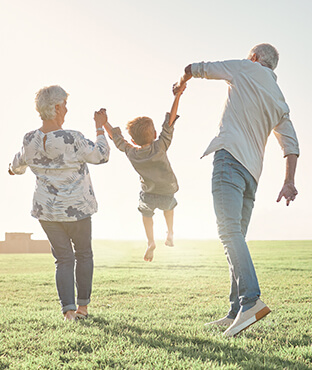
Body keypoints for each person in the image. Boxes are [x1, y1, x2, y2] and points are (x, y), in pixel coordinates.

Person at [174, 43, 299, 337]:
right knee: (236, 237)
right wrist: (289, 181)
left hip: (229, 159)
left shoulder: (246, 67)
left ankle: (251, 301)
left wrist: (181, 85)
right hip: (252, 175)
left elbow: (197, 68)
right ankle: (235, 312)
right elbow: (290, 145)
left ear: (254, 58)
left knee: (228, 233)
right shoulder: (279, 98)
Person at [9, 85, 110, 321]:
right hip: (78, 210)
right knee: (83, 255)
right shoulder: (72, 138)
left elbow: (16, 165)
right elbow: (101, 156)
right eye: (64, 104)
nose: (66, 108)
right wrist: (99, 127)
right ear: (56, 108)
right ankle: (83, 309)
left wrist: (12, 170)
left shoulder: (29, 139)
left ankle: (69, 313)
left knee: (63, 259)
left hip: (47, 213)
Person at [102, 83, 186, 262]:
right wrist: (177, 96)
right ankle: (170, 233)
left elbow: (117, 139)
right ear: (155, 134)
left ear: (133, 139)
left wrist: (104, 123)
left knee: (146, 214)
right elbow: (169, 122)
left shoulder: (132, 152)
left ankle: (150, 242)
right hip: (167, 190)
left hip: (148, 193)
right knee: (169, 208)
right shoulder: (160, 145)